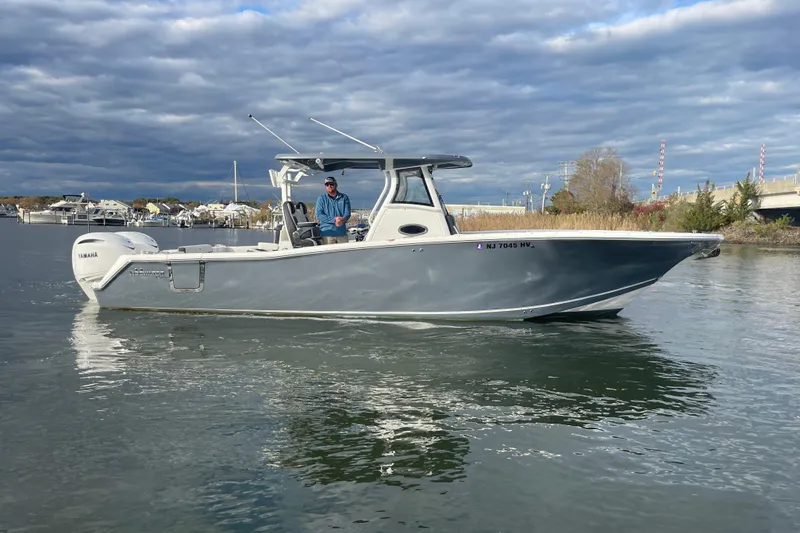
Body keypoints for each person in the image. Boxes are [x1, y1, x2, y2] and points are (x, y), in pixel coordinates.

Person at [315, 176, 351, 244]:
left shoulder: (344, 197)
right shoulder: (321, 198)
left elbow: (347, 213)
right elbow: (318, 215)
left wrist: (342, 220)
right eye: (327, 185)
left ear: (336, 185)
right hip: (327, 234)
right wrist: (334, 219)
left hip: (341, 233)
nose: (329, 186)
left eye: (331, 184)